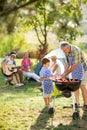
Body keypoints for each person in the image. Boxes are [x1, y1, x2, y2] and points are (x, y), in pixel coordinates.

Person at [60, 42, 87, 110]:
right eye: (62, 50)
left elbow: (74, 65)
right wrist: (63, 73)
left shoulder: (76, 50)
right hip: (74, 70)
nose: (64, 52)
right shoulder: (66, 51)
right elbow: (68, 63)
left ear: (68, 47)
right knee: (75, 86)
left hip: (82, 69)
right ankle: (77, 103)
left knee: (82, 86)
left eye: (64, 50)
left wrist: (66, 74)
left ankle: (86, 104)